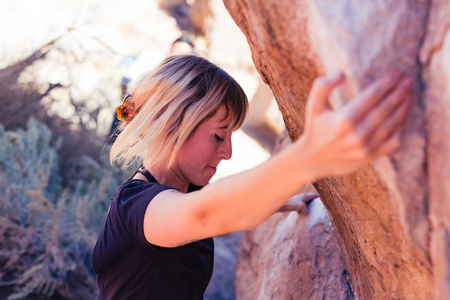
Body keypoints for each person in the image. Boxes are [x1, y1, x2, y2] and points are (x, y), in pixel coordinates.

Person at [92, 54, 413, 299]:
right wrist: (311, 154)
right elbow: (206, 214)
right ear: (173, 125)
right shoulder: (136, 208)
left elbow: (208, 205)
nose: (228, 152)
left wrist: (276, 202)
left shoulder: (175, 196)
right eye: (219, 136)